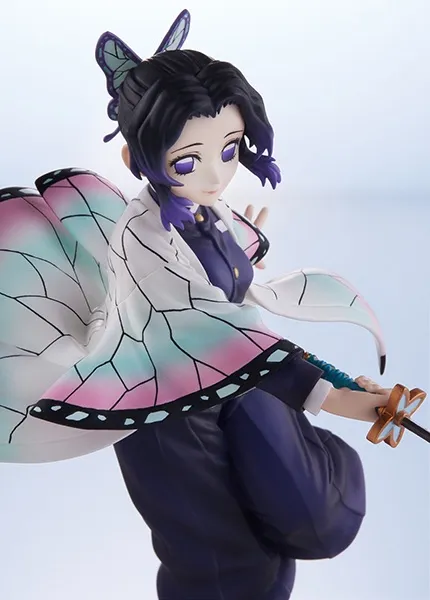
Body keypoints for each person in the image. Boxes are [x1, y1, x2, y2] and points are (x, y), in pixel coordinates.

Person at [0, 9, 391, 599]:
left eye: (229, 151)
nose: (214, 176)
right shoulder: (143, 237)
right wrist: (335, 396)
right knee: (230, 565)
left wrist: (241, 257)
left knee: (311, 510)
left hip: (234, 377)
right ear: (136, 159)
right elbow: (199, 321)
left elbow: (229, 303)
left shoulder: (203, 209)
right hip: (163, 401)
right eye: (187, 161)